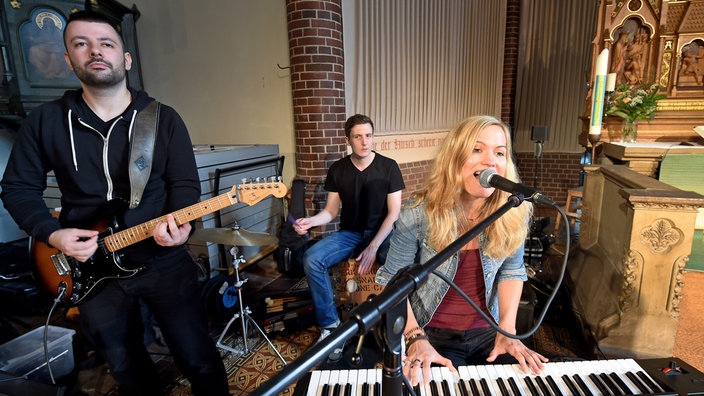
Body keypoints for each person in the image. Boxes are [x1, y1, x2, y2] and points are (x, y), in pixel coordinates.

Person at [0, 10, 229, 396]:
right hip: (89, 266)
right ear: (69, 59)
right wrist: (52, 235)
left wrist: (182, 225)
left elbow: (184, 183)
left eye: (106, 43)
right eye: (81, 44)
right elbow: (18, 188)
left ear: (125, 58)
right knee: (124, 363)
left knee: (197, 354)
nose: (95, 51)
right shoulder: (46, 122)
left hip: (162, 260)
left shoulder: (162, 119)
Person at [375, 115, 548, 386]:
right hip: (431, 334)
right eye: (476, 149)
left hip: (490, 333)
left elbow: (511, 273)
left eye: (499, 153)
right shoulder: (418, 212)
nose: (491, 160)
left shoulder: (516, 210)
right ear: (454, 158)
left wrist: (509, 330)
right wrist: (414, 338)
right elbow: (391, 283)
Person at [292, 114, 405, 361]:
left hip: (382, 233)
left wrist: (374, 246)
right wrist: (310, 221)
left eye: (368, 135)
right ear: (348, 140)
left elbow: (394, 213)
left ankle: (398, 326)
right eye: (358, 136)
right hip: (350, 234)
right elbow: (331, 211)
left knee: (396, 259)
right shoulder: (338, 169)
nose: (365, 142)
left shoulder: (389, 166)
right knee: (312, 258)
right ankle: (331, 325)